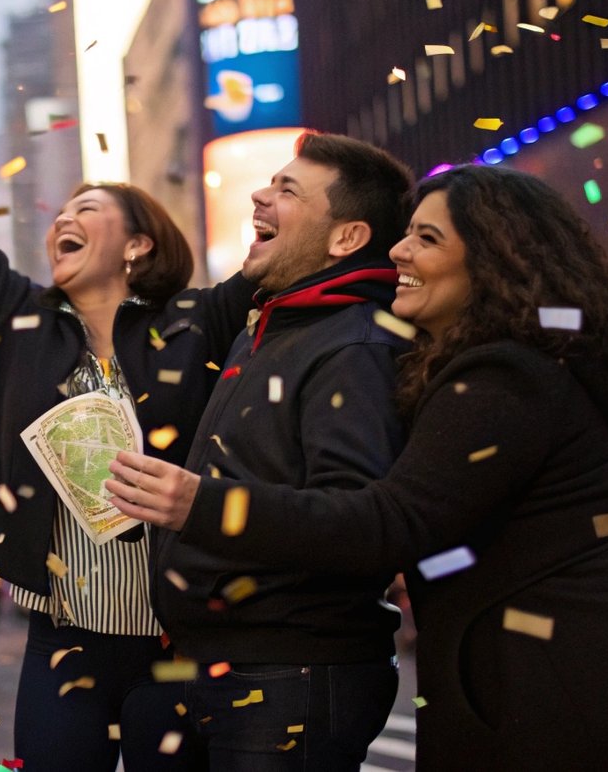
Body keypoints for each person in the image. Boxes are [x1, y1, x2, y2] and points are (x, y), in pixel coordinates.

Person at [111, 165, 608, 770]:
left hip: (599, 686)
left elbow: (390, 521)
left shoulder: (505, 378)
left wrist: (203, 503)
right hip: (558, 675)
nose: (398, 251)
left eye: (427, 239)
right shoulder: (488, 368)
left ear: (494, 262)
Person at [0, 0, 253, 770]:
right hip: (64, 644)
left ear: (139, 244)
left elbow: (277, 274)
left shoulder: (199, 322)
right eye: (62, 213)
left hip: (176, 641)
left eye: (90, 209)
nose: (65, 220)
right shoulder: (15, 324)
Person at [101, 131, 413, 769]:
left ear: (346, 238)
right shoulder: (272, 325)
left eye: (286, 190)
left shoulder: (353, 347)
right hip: (224, 667)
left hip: (289, 676)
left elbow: (357, 524)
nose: (258, 195)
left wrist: (199, 503)